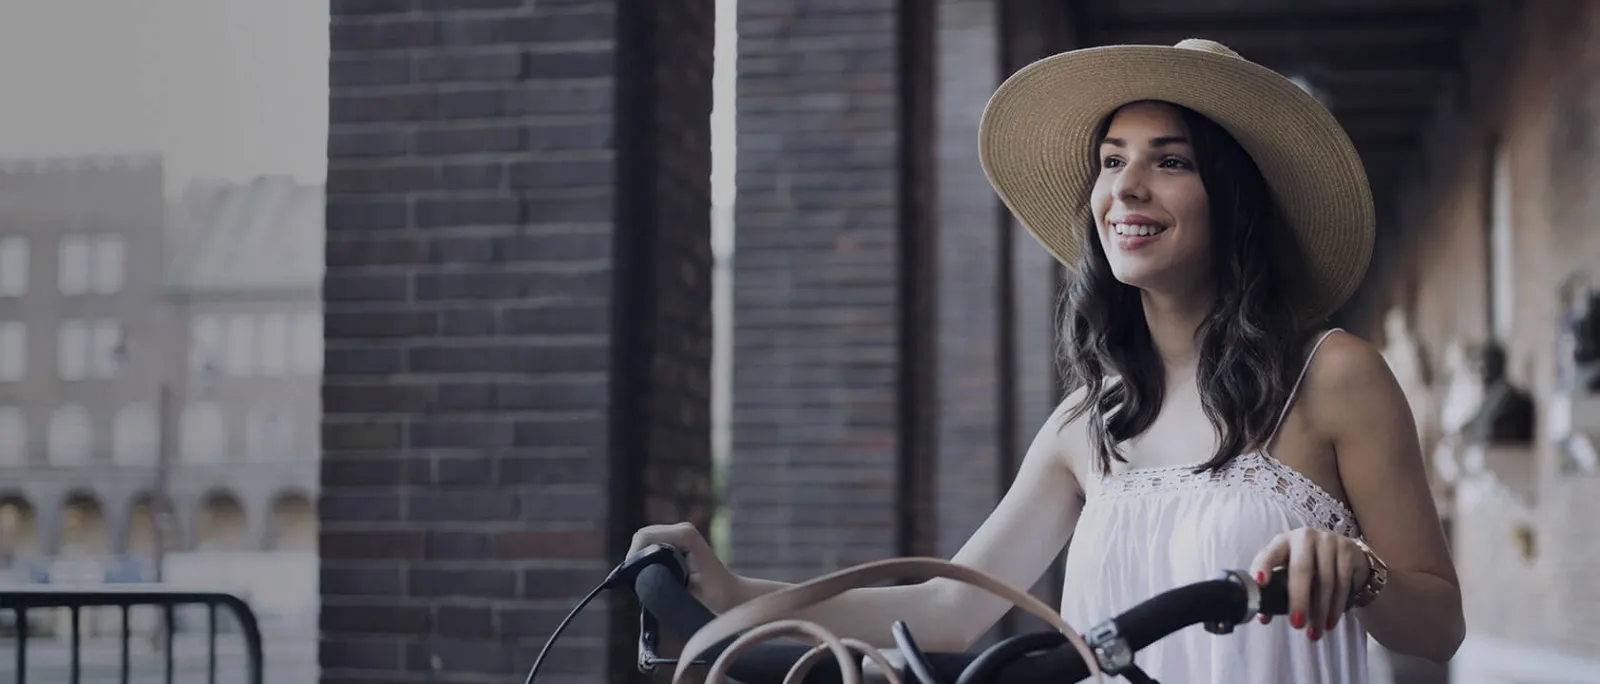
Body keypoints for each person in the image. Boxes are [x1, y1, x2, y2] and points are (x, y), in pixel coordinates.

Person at [629, 39, 1463, 683]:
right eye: (1111, 161)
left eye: (1170, 162)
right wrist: (732, 593)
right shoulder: (1088, 422)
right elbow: (949, 607)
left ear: (1234, 201)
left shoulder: (1335, 376)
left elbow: (1440, 625)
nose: (1126, 187)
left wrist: (1363, 575)